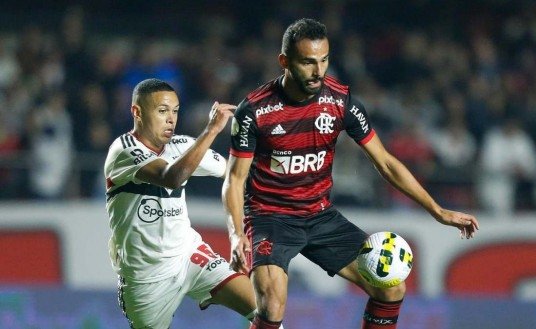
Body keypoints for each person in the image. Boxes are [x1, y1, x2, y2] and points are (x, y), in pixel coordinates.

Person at [222, 18, 480, 329]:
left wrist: (437, 210)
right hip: (269, 218)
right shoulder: (254, 111)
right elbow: (234, 180)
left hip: (320, 216)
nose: (319, 71)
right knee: (272, 303)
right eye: (307, 62)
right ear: (284, 62)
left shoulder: (340, 102)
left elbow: (385, 162)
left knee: (390, 288)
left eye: (324, 60)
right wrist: (237, 235)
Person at [104, 78, 258, 329]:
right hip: (146, 279)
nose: (171, 119)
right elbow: (171, 178)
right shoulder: (123, 150)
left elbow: (237, 173)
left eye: (175, 111)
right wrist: (211, 130)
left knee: (265, 311)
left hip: (189, 255)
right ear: (137, 112)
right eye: (162, 111)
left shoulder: (183, 146)